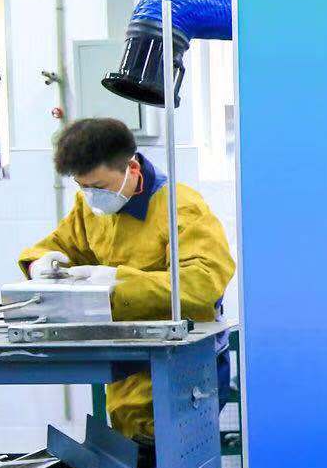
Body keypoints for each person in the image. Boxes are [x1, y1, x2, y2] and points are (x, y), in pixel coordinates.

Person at [20, 117, 236, 443]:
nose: (92, 197)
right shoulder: (91, 207)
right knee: (135, 459)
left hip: (183, 367)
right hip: (127, 366)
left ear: (132, 169)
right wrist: (39, 263)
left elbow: (202, 284)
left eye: (99, 186)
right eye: (83, 187)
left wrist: (118, 281)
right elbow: (62, 245)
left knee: (176, 461)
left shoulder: (180, 206)